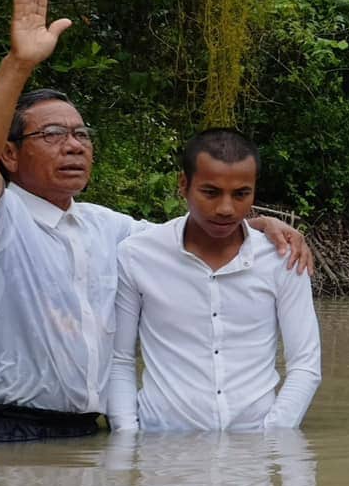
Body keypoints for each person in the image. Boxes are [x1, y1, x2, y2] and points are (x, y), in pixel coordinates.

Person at [0, 0, 310, 443]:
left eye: (81, 134)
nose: (73, 145)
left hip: (84, 435)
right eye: (52, 135)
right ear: (10, 156)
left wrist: (257, 222)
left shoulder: (109, 228)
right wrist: (19, 64)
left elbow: (197, 234)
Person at [108, 129, 321, 432]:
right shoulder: (137, 256)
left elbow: (305, 365)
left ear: (254, 191)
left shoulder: (282, 259)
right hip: (162, 451)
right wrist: (127, 438)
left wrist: (272, 436)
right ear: (184, 185)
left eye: (240, 194)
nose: (225, 208)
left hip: (253, 455)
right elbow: (119, 360)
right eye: (210, 192)